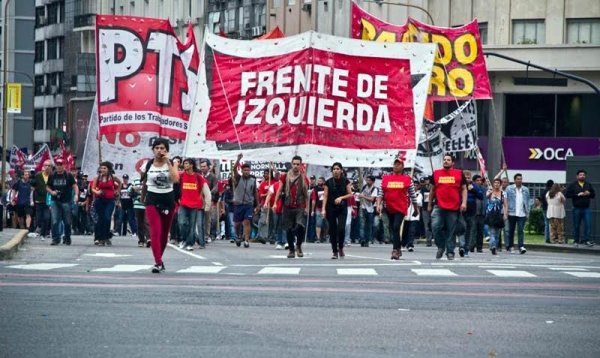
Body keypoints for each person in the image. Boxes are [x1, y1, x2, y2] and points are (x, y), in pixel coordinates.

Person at [142, 138, 179, 273]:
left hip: (168, 200)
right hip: (152, 199)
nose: (159, 150)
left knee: (164, 233)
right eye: (157, 148)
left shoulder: (172, 163)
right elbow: (144, 182)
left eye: (162, 148)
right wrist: (142, 197)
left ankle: (160, 259)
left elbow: (175, 179)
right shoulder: (148, 164)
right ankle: (157, 262)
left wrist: (168, 162)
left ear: (167, 150)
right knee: (155, 231)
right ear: (153, 150)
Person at [378, 159, 419, 260]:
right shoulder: (385, 178)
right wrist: (378, 204)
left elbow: (413, 195)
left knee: (396, 227)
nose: (396, 166)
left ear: (402, 166)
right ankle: (399, 248)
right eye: (394, 164)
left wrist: (416, 209)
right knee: (393, 229)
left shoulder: (407, 179)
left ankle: (395, 250)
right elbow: (381, 193)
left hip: (401, 208)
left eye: (398, 164)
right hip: (389, 207)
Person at [428, 154, 467, 260]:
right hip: (438, 206)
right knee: (435, 227)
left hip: (453, 207)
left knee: (451, 231)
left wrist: (464, 203)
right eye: (444, 160)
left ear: (452, 162)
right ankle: (441, 246)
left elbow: (464, 189)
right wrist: (429, 204)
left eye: (448, 160)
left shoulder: (459, 173)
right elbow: (432, 190)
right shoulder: (436, 173)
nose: (446, 161)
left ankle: (450, 252)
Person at [275, 156, 310, 259]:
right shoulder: (285, 177)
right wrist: (275, 203)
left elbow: (306, 195)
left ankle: (298, 245)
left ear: (301, 165)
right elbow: (279, 190)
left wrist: (307, 208)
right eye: (294, 164)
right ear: (291, 164)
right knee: (289, 229)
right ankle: (291, 249)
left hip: (300, 206)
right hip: (288, 206)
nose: (296, 166)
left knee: (300, 226)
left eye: (298, 164)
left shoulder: (304, 178)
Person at [321, 162, 352, 259]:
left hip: (342, 207)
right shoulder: (328, 182)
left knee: (341, 228)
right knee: (332, 230)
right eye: (334, 169)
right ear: (332, 171)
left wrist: (341, 198)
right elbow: (325, 196)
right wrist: (323, 209)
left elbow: (350, 194)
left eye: (338, 169)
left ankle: (341, 247)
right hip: (331, 208)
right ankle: (334, 251)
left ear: (341, 170)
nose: (336, 171)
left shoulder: (345, 181)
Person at [177, 158, 210, 251]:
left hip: (195, 205)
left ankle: (189, 243)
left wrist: (207, 204)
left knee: (192, 225)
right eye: (184, 164)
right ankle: (184, 239)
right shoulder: (181, 175)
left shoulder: (198, 177)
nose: (184, 165)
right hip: (183, 204)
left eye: (186, 163)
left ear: (191, 165)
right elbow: (175, 186)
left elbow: (206, 190)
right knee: (181, 223)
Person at [46, 158, 79, 245]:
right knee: (55, 220)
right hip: (55, 201)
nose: (59, 166)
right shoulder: (52, 175)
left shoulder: (68, 175)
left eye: (61, 165)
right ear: (55, 166)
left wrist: (76, 195)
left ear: (64, 165)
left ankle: (67, 238)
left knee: (67, 221)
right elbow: (47, 187)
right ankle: (55, 239)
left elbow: (75, 186)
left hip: (66, 201)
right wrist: (52, 192)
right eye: (57, 165)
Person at [232, 154, 259, 248]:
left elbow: (255, 192)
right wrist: (238, 159)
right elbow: (234, 169)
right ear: (242, 171)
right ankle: (238, 235)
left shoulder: (253, 180)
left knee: (247, 221)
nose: (247, 172)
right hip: (238, 203)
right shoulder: (238, 178)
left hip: (248, 204)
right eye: (245, 170)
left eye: (248, 170)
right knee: (237, 224)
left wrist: (258, 205)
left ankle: (246, 240)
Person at [91, 162, 122, 246]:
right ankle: (99, 238)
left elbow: (120, 183)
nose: (102, 170)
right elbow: (92, 189)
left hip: (110, 201)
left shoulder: (113, 177)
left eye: (104, 168)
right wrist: (97, 192)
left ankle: (106, 237)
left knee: (107, 217)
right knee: (100, 219)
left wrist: (117, 191)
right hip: (100, 200)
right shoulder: (97, 178)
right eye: (101, 168)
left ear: (108, 169)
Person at [565, 169, 595, 247]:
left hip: (586, 208)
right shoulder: (573, 185)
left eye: (584, 175)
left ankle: (586, 240)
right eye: (581, 175)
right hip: (576, 208)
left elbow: (593, 195)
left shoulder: (588, 184)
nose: (582, 176)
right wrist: (577, 195)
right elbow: (567, 194)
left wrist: (589, 193)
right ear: (577, 176)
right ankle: (576, 241)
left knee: (588, 225)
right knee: (576, 225)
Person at [505, 173, 530, 254]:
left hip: (522, 213)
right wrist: (506, 211)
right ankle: (511, 246)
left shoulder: (525, 189)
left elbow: (527, 201)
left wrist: (527, 213)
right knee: (511, 230)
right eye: (518, 179)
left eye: (521, 179)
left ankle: (521, 246)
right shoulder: (509, 188)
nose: (519, 180)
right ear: (515, 180)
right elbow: (506, 200)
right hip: (512, 212)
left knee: (520, 230)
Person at [30, 160, 53, 240]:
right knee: (39, 218)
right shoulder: (38, 175)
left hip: (48, 201)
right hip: (39, 200)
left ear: (51, 168)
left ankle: (43, 234)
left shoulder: (52, 176)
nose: (47, 167)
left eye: (49, 166)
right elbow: (32, 185)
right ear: (43, 166)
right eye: (46, 165)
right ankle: (39, 229)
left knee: (46, 217)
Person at [485, 178, 508, 255]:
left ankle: (493, 246)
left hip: (499, 215)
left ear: (500, 184)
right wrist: (490, 193)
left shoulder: (503, 193)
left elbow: (505, 205)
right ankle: (493, 246)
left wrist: (505, 214)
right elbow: (487, 196)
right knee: (492, 232)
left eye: (498, 183)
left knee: (497, 233)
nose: (496, 184)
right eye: (495, 183)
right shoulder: (489, 191)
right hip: (491, 214)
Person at [199, 159, 218, 243]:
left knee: (207, 218)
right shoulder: (199, 176)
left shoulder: (213, 177)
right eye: (201, 166)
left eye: (204, 166)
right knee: (198, 219)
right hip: (198, 200)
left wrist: (208, 193)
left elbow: (216, 188)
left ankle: (207, 235)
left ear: (208, 167)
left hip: (208, 200)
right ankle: (199, 235)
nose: (202, 168)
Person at [358, 175, 378, 247]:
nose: (368, 181)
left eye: (369, 180)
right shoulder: (364, 187)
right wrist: (360, 196)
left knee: (369, 225)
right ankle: (362, 239)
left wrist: (363, 196)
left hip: (371, 209)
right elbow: (361, 195)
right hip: (363, 208)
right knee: (362, 224)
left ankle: (367, 240)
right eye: (367, 180)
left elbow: (372, 199)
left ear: (373, 181)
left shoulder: (374, 189)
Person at [132, 176, 150, 247]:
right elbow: (129, 190)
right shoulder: (136, 180)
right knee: (139, 223)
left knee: (147, 222)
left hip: (148, 204)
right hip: (137, 205)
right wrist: (133, 188)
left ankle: (148, 238)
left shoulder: (151, 179)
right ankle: (141, 240)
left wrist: (142, 188)